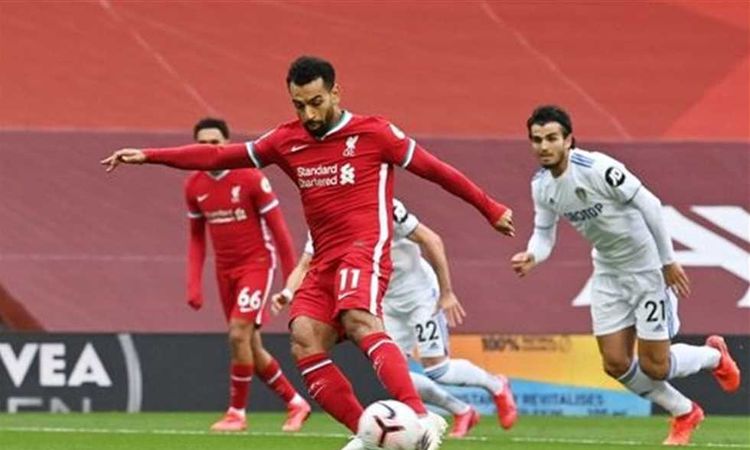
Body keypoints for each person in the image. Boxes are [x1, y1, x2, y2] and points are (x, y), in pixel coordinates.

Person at [101, 55, 515, 450]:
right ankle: (369, 433)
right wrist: (149, 156)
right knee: (303, 340)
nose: (309, 114)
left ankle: (421, 420)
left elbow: (437, 170)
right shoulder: (287, 140)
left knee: (358, 319)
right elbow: (219, 155)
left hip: (363, 249)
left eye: (316, 102)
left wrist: (490, 208)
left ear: (336, 92)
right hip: (323, 260)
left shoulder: (375, 134)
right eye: (299, 105)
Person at [510, 105, 741, 446]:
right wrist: (532, 255)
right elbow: (544, 234)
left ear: (568, 140)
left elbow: (650, 204)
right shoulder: (542, 186)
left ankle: (714, 356)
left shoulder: (597, 168)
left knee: (655, 367)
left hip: (647, 269)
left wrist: (667, 261)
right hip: (608, 273)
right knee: (615, 363)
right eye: (536, 140)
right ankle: (685, 411)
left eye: (551, 138)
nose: (544, 146)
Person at [273, 198, 518, 438]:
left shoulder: (386, 207)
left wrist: (446, 293)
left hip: (419, 294)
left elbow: (431, 240)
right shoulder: (323, 217)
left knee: (438, 370)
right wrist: (287, 292)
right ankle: (462, 411)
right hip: (385, 300)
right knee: (394, 373)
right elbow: (306, 264)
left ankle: (496, 385)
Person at [184, 117, 311, 432]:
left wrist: (289, 281)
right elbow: (197, 239)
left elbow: (280, 232)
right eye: (202, 143)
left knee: (237, 334)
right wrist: (194, 284)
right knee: (250, 345)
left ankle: (236, 414)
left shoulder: (250, 177)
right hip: (224, 271)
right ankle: (296, 402)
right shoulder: (194, 185)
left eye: (215, 142)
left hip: (256, 265)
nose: (209, 148)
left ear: (227, 144)